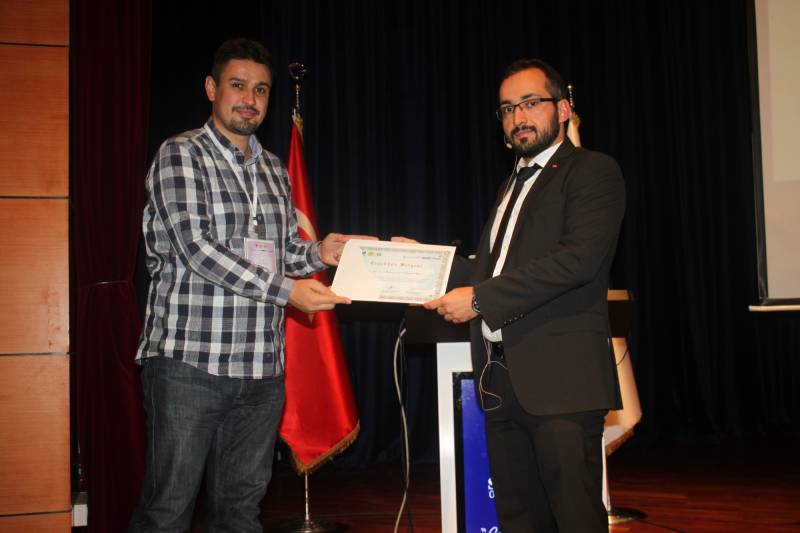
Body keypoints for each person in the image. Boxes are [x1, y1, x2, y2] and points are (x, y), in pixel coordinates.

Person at [130, 38, 362, 532]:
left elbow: (281, 253)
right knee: (168, 510)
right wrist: (287, 292)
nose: (250, 100)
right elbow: (197, 249)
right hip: (190, 364)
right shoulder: (181, 155)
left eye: (261, 90)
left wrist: (320, 252)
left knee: (239, 512)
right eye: (238, 86)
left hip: (261, 372)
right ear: (211, 88)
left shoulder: (274, 168)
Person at [425, 59, 626, 532]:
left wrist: (479, 300)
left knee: (575, 519)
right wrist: (426, 260)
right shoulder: (511, 185)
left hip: (562, 382)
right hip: (500, 380)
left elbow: (577, 260)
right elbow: (490, 270)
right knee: (519, 519)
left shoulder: (592, 171)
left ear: (563, 109)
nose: (518, 117)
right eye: (508, 108)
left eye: (531, 103)